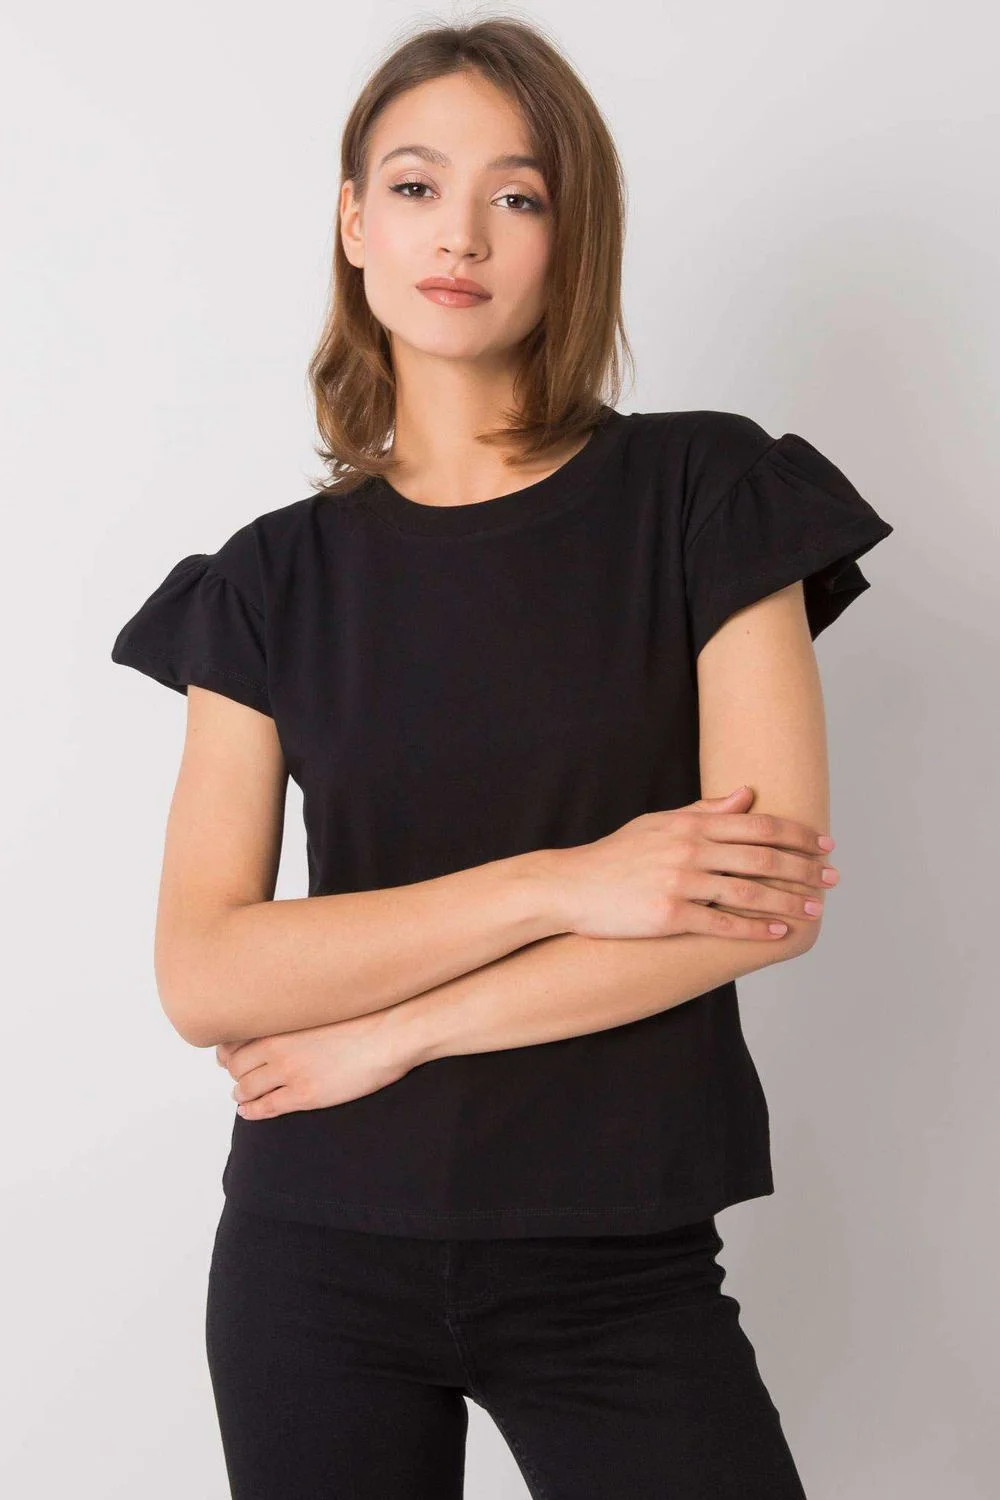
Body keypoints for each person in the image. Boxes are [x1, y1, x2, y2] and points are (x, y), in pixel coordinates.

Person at [110, 18, 894, 1500]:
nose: (459, 234)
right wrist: (567, 881)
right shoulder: (268, 580)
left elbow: (762, 905)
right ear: (355, 222)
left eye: (516, 195)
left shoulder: (706, 492)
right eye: (415, 187)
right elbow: (205, 974)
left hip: (617, 1263)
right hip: (312, 1264)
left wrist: (393, 1033)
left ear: (568, 235)